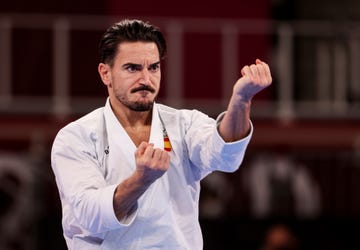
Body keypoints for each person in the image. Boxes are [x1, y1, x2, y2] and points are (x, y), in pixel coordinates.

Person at [51, 19, 272, 250]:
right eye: (132, 68)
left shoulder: (184, 124)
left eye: (153, 67)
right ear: (105, 73)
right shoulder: (76, 137)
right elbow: (90, 214)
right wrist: (141, 179)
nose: (145, 79)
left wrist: (241, 100)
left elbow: (225, 155)